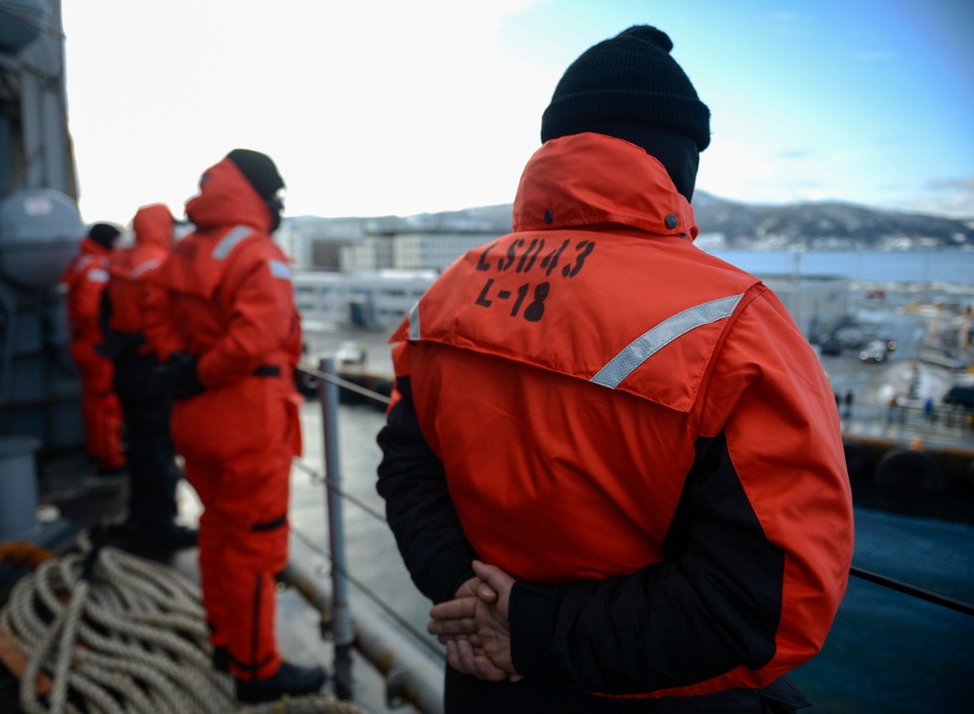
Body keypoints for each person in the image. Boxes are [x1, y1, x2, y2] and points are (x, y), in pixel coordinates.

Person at [376, 25, 854, 713]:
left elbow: (405, 468)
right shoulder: (737, 325)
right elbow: (770, 603)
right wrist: (534, 632)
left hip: (479, 676)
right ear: (680, 161)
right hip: (639, 687)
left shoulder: (448, 293)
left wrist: (465, 594)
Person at [145, 149, 325, 703]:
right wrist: (204, 371)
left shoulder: (189, 247)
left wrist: (183, 368)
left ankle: (226, 641)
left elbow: (154, 313)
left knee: (219, 536)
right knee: (254, 548)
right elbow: (258, 336)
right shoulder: (256, 252)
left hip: (195, 420)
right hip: (245, 420)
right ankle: (256, 670)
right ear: (263, 195)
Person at [99, 203, 197, 550]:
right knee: (158, 451)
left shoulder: (119, 260)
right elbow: (163, 320)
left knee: (140, 449)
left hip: (126, 366)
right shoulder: (159, 263)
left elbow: (104, 313)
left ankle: (140, 518)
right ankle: (160, 527)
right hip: (152, 368)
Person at [60, 222, 126, 476]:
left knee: (94, 402)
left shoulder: (84, 260)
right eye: (118, 241)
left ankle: (100, 452)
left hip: (85, 343)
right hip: (96, 344)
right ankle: (111, 461)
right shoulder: (96, 267)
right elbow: (89, 310)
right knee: (105, 404)